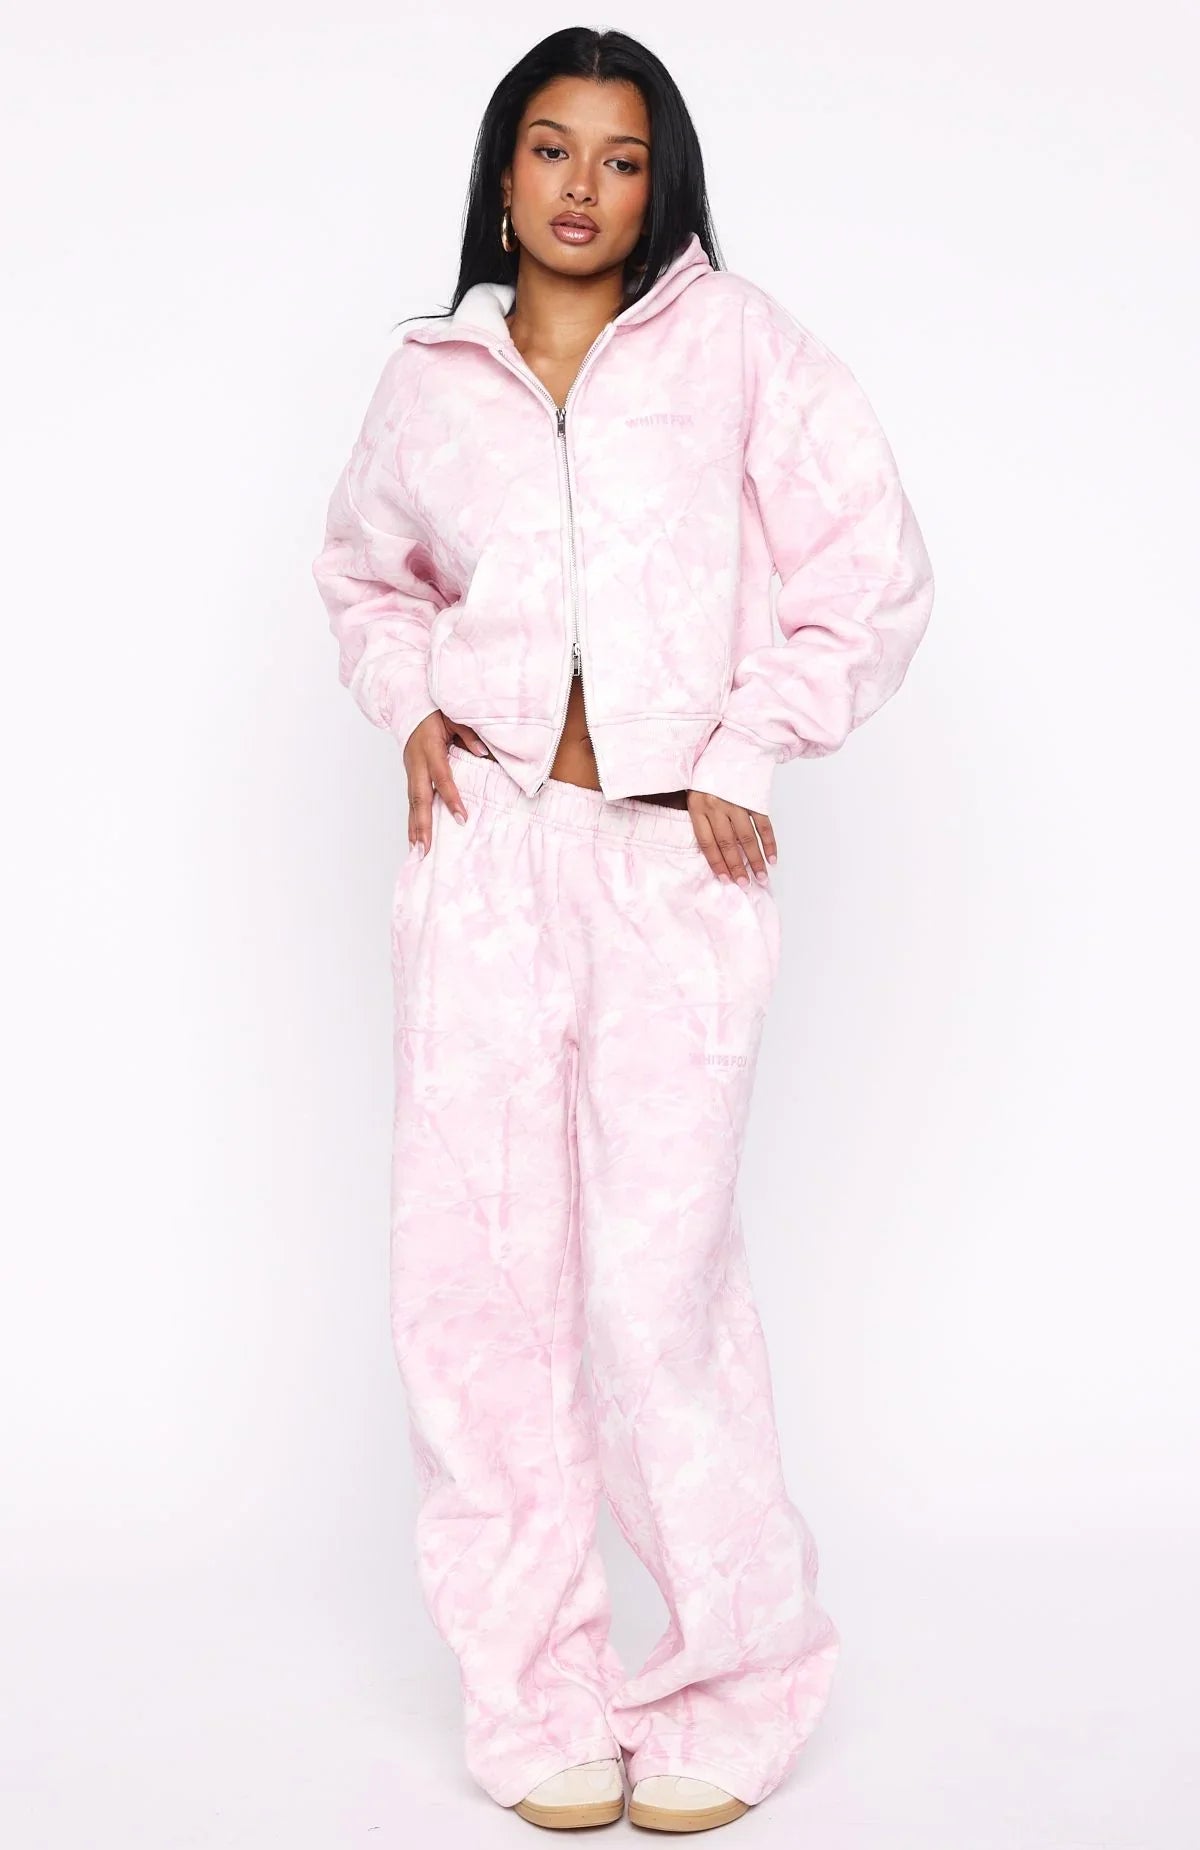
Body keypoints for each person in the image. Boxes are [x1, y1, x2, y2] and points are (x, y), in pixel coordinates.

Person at [311, 26, 934, 1835]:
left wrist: (746, 744)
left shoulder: (738, 347)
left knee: (659, 1296)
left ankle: (737, 1679)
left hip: (672, 864)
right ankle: (535, 1699)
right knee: (479, 1292)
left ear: (664, 184)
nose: (583, 186)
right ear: (501, 172)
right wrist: (410, 704)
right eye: (551, 147)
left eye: (623, 156)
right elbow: (362, 573)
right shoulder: (431, 379)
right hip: (485, 858)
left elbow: (871, 566)